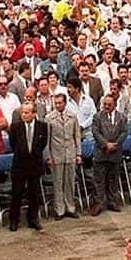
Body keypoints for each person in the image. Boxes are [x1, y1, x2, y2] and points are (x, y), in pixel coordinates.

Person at [7, 102, 46, 231]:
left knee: (34, 194)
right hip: (19, 165)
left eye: (27, 112)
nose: (24, 115)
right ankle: (14, 220)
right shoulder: (15, 127)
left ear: (34, 114)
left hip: (35, 164)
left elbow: (43, 144)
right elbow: (13, 145)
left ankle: (33, 219)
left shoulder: (42, 127)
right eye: (23, 112)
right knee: (17, 193)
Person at [90, 92, 128, 215]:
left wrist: (115, 144)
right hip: (101, 153)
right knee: (99, 180)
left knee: (113, 179)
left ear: (115, 105)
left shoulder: (122, 117)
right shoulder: (97, 117)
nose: (106, 106)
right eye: (105, 104)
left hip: (115, 153)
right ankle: (99, 203)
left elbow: (124, 132)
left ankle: (112, 201)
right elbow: (95, 133)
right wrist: (106, 144)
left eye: (109, 104)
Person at [46, 91, 81, 220]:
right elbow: (47, 139)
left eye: (60, 103)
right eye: (56, 103)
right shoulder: (49, 118)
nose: (58, 105)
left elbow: (76, 135)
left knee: (70, 182)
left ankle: (70, 207)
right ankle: (59, 209)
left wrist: (78, 153)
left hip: (70, 152)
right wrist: (48, 156)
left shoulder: (72, 116)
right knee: (58, 183)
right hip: (56, 154)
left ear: (65, 103)